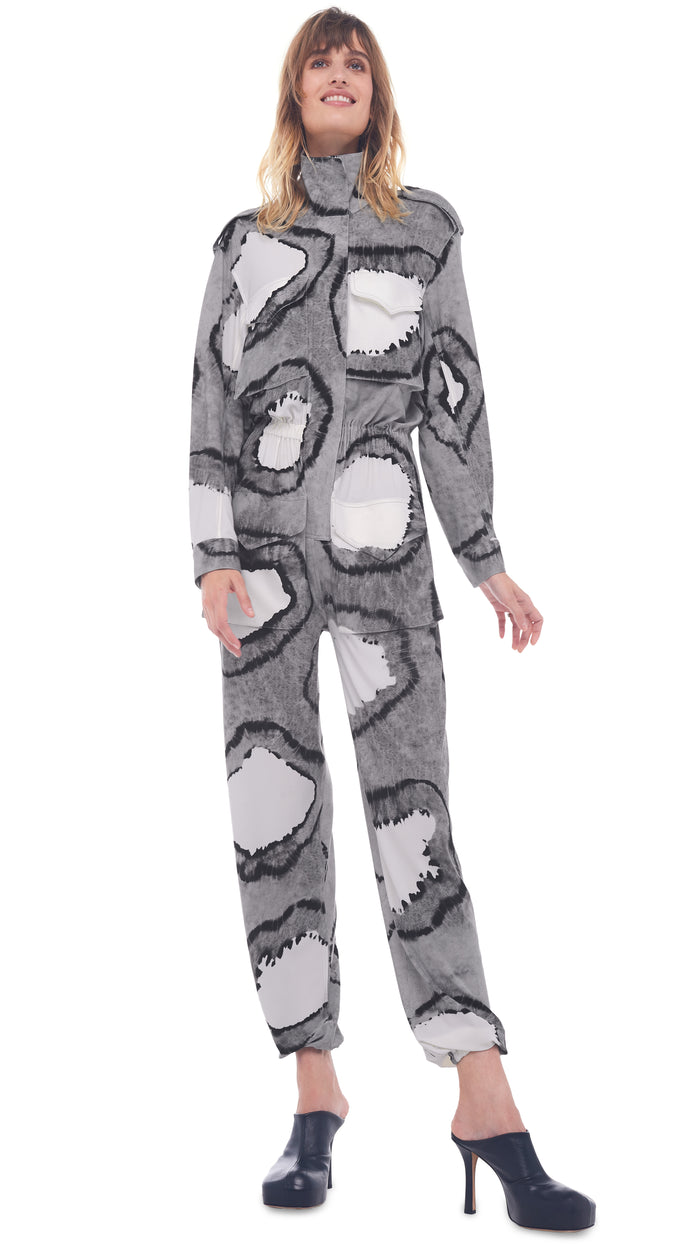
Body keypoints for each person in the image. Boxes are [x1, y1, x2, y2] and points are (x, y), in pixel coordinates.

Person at [188, 6, 595, 1230]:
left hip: (387, 564)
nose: (339, 74)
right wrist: (211, 555)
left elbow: (454, 397)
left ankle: (484, 1091)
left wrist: (485, 558)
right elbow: (208, 400)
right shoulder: (244, 242)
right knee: (273, 816)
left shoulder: (424, 229)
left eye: (355, 62)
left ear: (377, 94)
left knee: (415, 816)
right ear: (292, 93)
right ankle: (314, 1090)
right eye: (321, 61)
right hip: (260, 571)